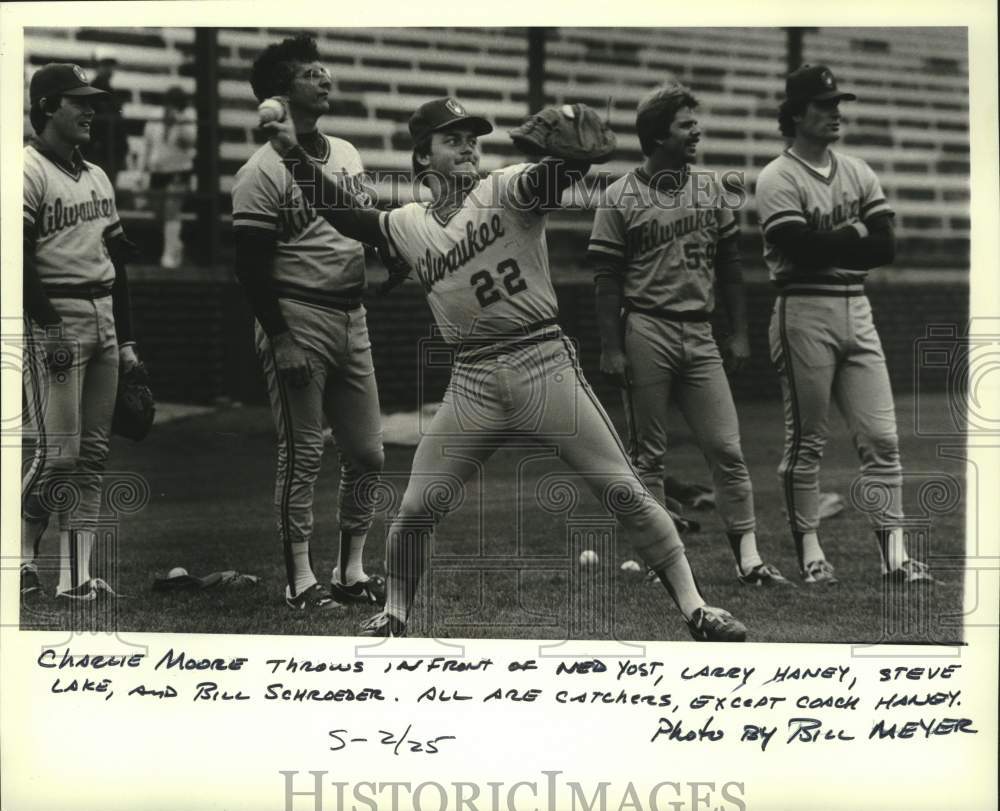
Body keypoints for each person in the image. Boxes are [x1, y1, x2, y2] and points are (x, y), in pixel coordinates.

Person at [263, 95, 749, 641]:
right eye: (453, 139)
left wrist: (571, 158)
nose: (468, 147)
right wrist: (291, 154)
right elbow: (345, 214)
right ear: (423, 158)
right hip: (471, 380)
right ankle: (395, 614)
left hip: (541, 360)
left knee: (621, 488)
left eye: (473, 138)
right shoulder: (408, 224)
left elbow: (552, 177)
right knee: (418, 506)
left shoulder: (505, 187)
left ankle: (697, 608)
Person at [588, 82, 790, 587]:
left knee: (726, 447)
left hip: (699, 332)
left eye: (695, 121)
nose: (696, 130)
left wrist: (739, 332)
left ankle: (750, 559)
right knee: (649, 455)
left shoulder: (711, 188)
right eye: (685, 123)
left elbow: (731, 266)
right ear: (658, 136)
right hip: (646, 327)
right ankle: (665, 564)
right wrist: (612, 347)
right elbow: (606, 280)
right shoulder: (618, 196)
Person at [755, 64, 934, 585]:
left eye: (837, 103)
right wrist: (853, 233)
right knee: (806, 441)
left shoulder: (857, 170)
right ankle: (811, 552)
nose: (835, 112)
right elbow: (798, 248)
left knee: (882, 438)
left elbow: (886, 247)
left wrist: (841, 238)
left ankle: (895, 556)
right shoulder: (778, 176)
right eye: (824, 104)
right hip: (802, 309)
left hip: (858, 308)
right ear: (795, 114)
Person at [231, 35, 386, 613]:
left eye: (323, 68)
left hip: (352, 314)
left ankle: (351, 570)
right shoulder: (260, 170)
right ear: (280, 93)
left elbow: (356, 224)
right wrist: (281, 336)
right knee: (302, 453)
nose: (323, 78)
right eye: (309, 72)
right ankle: (300, 579)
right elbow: (248, 268)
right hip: (297, 314)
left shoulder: (345, 151)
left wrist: (387, 254)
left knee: (368, 454)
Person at [21, 63, 140, 603]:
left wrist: (130, 342)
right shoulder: (24, 169)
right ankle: (20, 557)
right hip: (57, 314)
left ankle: (75, 577)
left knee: (92, 456)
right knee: (57, 455)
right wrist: (48, 328)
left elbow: (119, 261)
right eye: (78, 100)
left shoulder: (96, 174)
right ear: (48, 106)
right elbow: (16, 259)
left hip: (104, 318)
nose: (90, 109)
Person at [137, 85, 196, 268]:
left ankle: (169, 257)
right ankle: (176, 245)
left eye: (176, 105)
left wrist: (178, 122)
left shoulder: (187, 117)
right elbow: (146, 145)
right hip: (157, 171)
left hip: (179, 170)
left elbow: (190, 142)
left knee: (172, 209)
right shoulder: (155, 116)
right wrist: (141, 171)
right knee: (160, 213)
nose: (172, 108)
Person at [84, 56, 129, 189]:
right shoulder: (93, 91)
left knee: (104, 188)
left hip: (110, 149)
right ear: (98, 67)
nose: (109, 70)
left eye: (110, 66)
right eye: (105, 66)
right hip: (99, 149)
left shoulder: (109, 91)